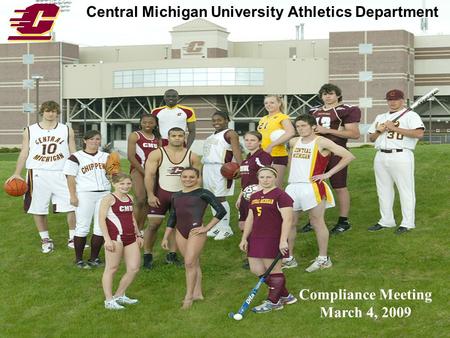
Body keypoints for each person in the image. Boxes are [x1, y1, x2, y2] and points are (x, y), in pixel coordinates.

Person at [285, 114, 355, 272]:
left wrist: (328, 174)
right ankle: (289, 258)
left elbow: (348, 156)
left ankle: (323, 258)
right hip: (293, 186)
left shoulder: (321, 141)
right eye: (298, 126)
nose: (301, 129)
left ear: (312, 126)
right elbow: (291, 161)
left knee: (317, 222)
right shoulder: (293, 141)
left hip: (312, 187)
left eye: (304, 126)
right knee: (290, 222)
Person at [6, 100, 76, 253]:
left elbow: (73, 153)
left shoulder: (66, 130)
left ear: (58, 113)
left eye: (53, 111)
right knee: (38, 208)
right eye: (47, 111)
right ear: (42, 112)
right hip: (37, 173)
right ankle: (45, 239)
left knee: (72, 206)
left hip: (61, 172)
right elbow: (24, 152)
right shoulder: (30, 130)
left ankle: (73, 238)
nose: (50, 114)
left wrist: (78, 172)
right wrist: (17, 173)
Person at [161, 167, 226, 309]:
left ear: (198, 178)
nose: (188, 180)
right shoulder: (176, 196)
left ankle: (188, 297)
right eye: (184, 177)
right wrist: (166, 237)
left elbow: (221, 210)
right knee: (193, 263)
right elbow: (173, 216)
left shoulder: (203, 193)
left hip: (196, 231)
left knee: (189, 263)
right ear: (181, 178)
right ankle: (197, 293)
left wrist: (207, 228)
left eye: (191, 177)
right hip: (180, 231)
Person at [301, 84, 361, 235]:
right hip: (317, 152)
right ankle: (313, 219)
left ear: (338, 95)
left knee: (339, 186)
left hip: (337, 151)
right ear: (321, 96)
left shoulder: (346, 110)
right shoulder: (314, 111)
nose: (327, 97)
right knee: (314, 185)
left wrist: (326, 130)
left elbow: (354, 134)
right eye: (324, 94)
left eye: (331, 94)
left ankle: (343, 220)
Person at [239, 167, 297, 313]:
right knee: (256, 269)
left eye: (269, 177)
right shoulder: (254, 196)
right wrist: (244, 238)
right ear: (258, 179)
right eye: (262, 177)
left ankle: (273, 302)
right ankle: (285, 295)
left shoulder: (281, 196)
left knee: (274, 271)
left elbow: (288, 220)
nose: (265, 180)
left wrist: (283, 240)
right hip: (256, 237)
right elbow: (250, 218)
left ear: (275, 178)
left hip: (272, 237)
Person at [367, 89, 424, 235]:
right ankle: (386, 220)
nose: (392, 102)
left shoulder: (411, 115)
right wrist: (379, 131)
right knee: (383, 190)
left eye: (396, 99)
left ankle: (407, 222)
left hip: (401, 154)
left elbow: (419, 134)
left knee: (405, 190)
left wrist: (394, 128)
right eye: (390, 100)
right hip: (380, 155)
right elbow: (371, 138)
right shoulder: (381, 117)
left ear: (402, 100)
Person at [143, 127, 202, 269]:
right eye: (174, 135)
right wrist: (150, 194)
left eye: (180, 135)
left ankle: (172, 254)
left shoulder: (192, 156)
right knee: (153, 225)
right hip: (161, 193)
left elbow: (198, 179)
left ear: (184, 138)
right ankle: (147, 255)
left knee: (177, 226)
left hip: (181, 195)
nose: (177, 138)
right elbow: (149, 175)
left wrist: (195, 197)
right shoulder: (157, 153)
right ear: (168, 138)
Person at [63, 130, 111, 269]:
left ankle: (94, 258)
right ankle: (78, 259)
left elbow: (113, 175)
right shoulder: (75, 157)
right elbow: (70, 178)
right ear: (85, 141)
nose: (94, 142)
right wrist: (73, 195)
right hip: (85, 194)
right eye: (91, 139)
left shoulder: (106, 156)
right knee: (82, 227)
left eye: (97, 139)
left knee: (100, 227)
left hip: (104, 193)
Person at [99, 173, 143, 310]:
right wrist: (107, 240)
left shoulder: (130, 197)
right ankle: (108, 300)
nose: (125, 186)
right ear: (114, 184)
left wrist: (138, 234)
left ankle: (119, 295)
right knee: (112, 268)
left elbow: (132, 217)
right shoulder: (108, 199)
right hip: (115, 238)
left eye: (128, 184)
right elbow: (101, 219)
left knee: (134, 268)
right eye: (122, 184)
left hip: (131, 238)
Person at [202, 111, 242, 240]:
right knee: (211, 198)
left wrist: (242, 167)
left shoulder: (230, 133)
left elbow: (236, 150)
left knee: (220, 198)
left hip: (222, 168)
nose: (216, 123)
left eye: (219, 120)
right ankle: (217, 226)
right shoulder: (211, 135)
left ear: (227, 120)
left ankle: (226, 228)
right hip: (208, 167)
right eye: (214, 120)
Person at [127, 114, 160, 232]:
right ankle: (132, 227)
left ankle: (140, 229)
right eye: (145, 122)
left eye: (151, 122)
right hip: (138, 170)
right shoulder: (135, 136)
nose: (147, 125)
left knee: (148, 200)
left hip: (152, 173)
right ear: (140, 123)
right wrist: (145, 172)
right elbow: (130, 157)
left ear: (155, 124)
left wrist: (153, 173)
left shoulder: (157, 138)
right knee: (140, 198)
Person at [257, 95, 295, 188]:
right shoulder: (263, 119)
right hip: (262, 155)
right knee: (263, 186)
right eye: (266, 103)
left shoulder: (282, 117)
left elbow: (291, 132)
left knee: (275, 187)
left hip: (277, 155)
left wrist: (272, 145)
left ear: (279, 103)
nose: (268, 105)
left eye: (272, 102)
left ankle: (280, 203)